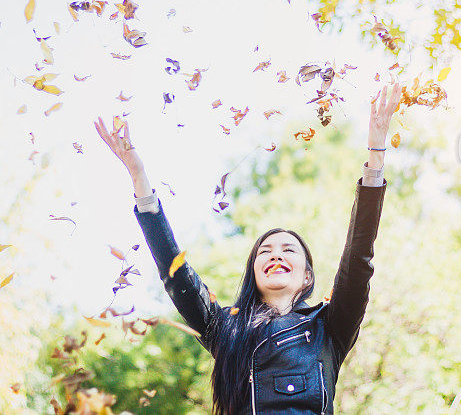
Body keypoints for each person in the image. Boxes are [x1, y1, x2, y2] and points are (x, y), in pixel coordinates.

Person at [94, 82, 403, 414]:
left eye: (289, 249)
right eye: (265, 251)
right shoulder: (225, 328)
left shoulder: (329, 328)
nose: (275, 254)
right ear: (253, 272)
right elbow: (176, 275)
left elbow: (358, 258)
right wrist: (139, 177)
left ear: (307, 277)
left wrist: (375, 156)